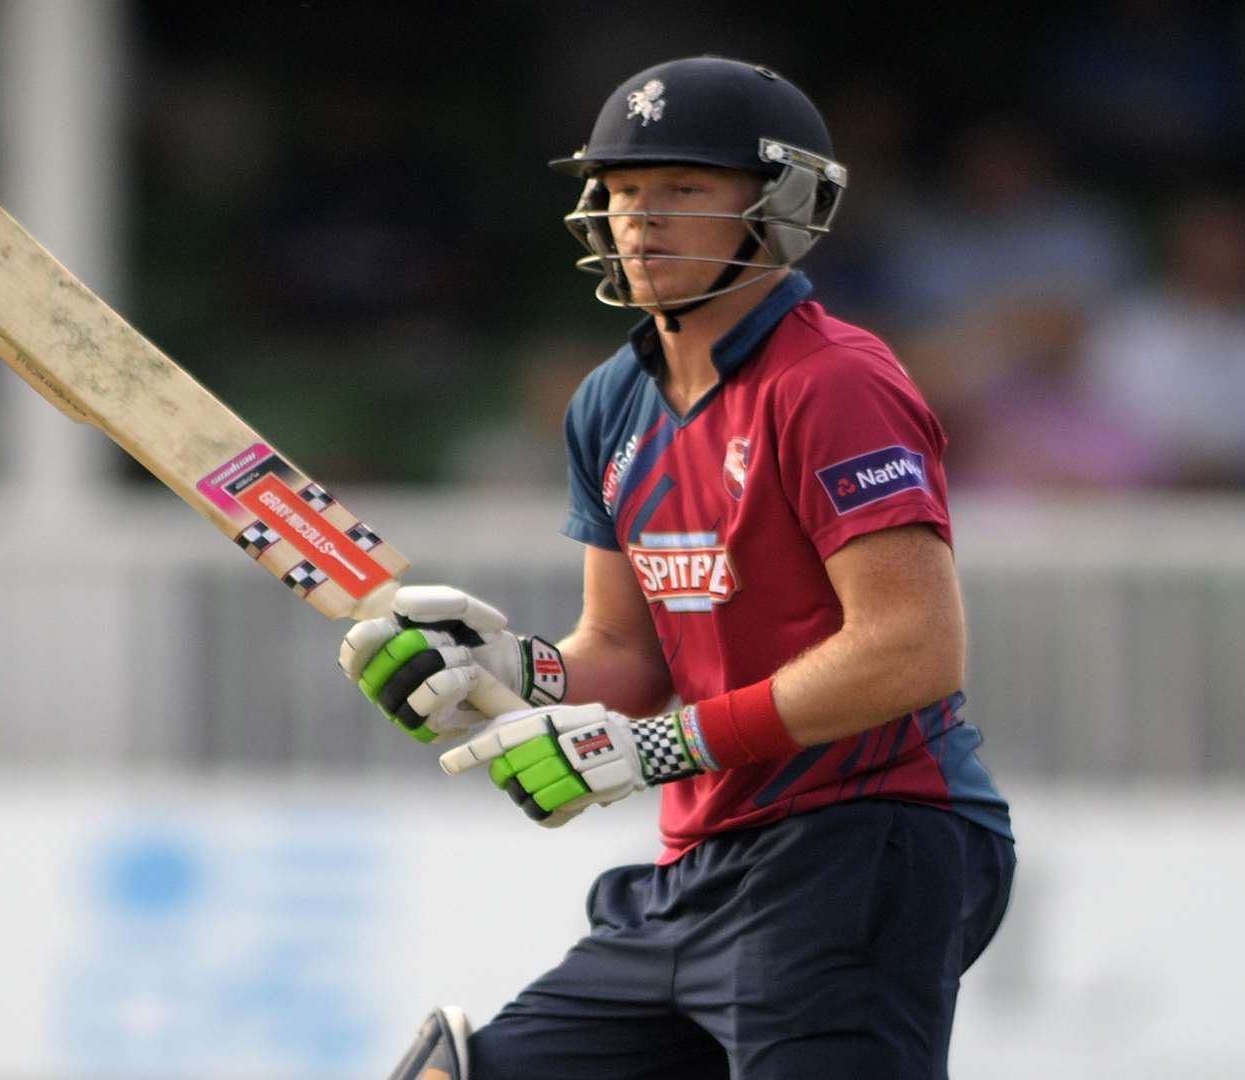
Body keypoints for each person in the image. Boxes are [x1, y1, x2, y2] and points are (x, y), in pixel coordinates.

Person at [340, 56, 1015, 1080]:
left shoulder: (834, 382)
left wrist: (658, 749)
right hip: (698, 866)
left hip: (864, 839)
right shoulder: (609, 400)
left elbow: (912, 648)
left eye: (682, 190)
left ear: (777, 206)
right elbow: (624, 651)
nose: (637, 220)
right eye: (618, 193)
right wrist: (508, 671)